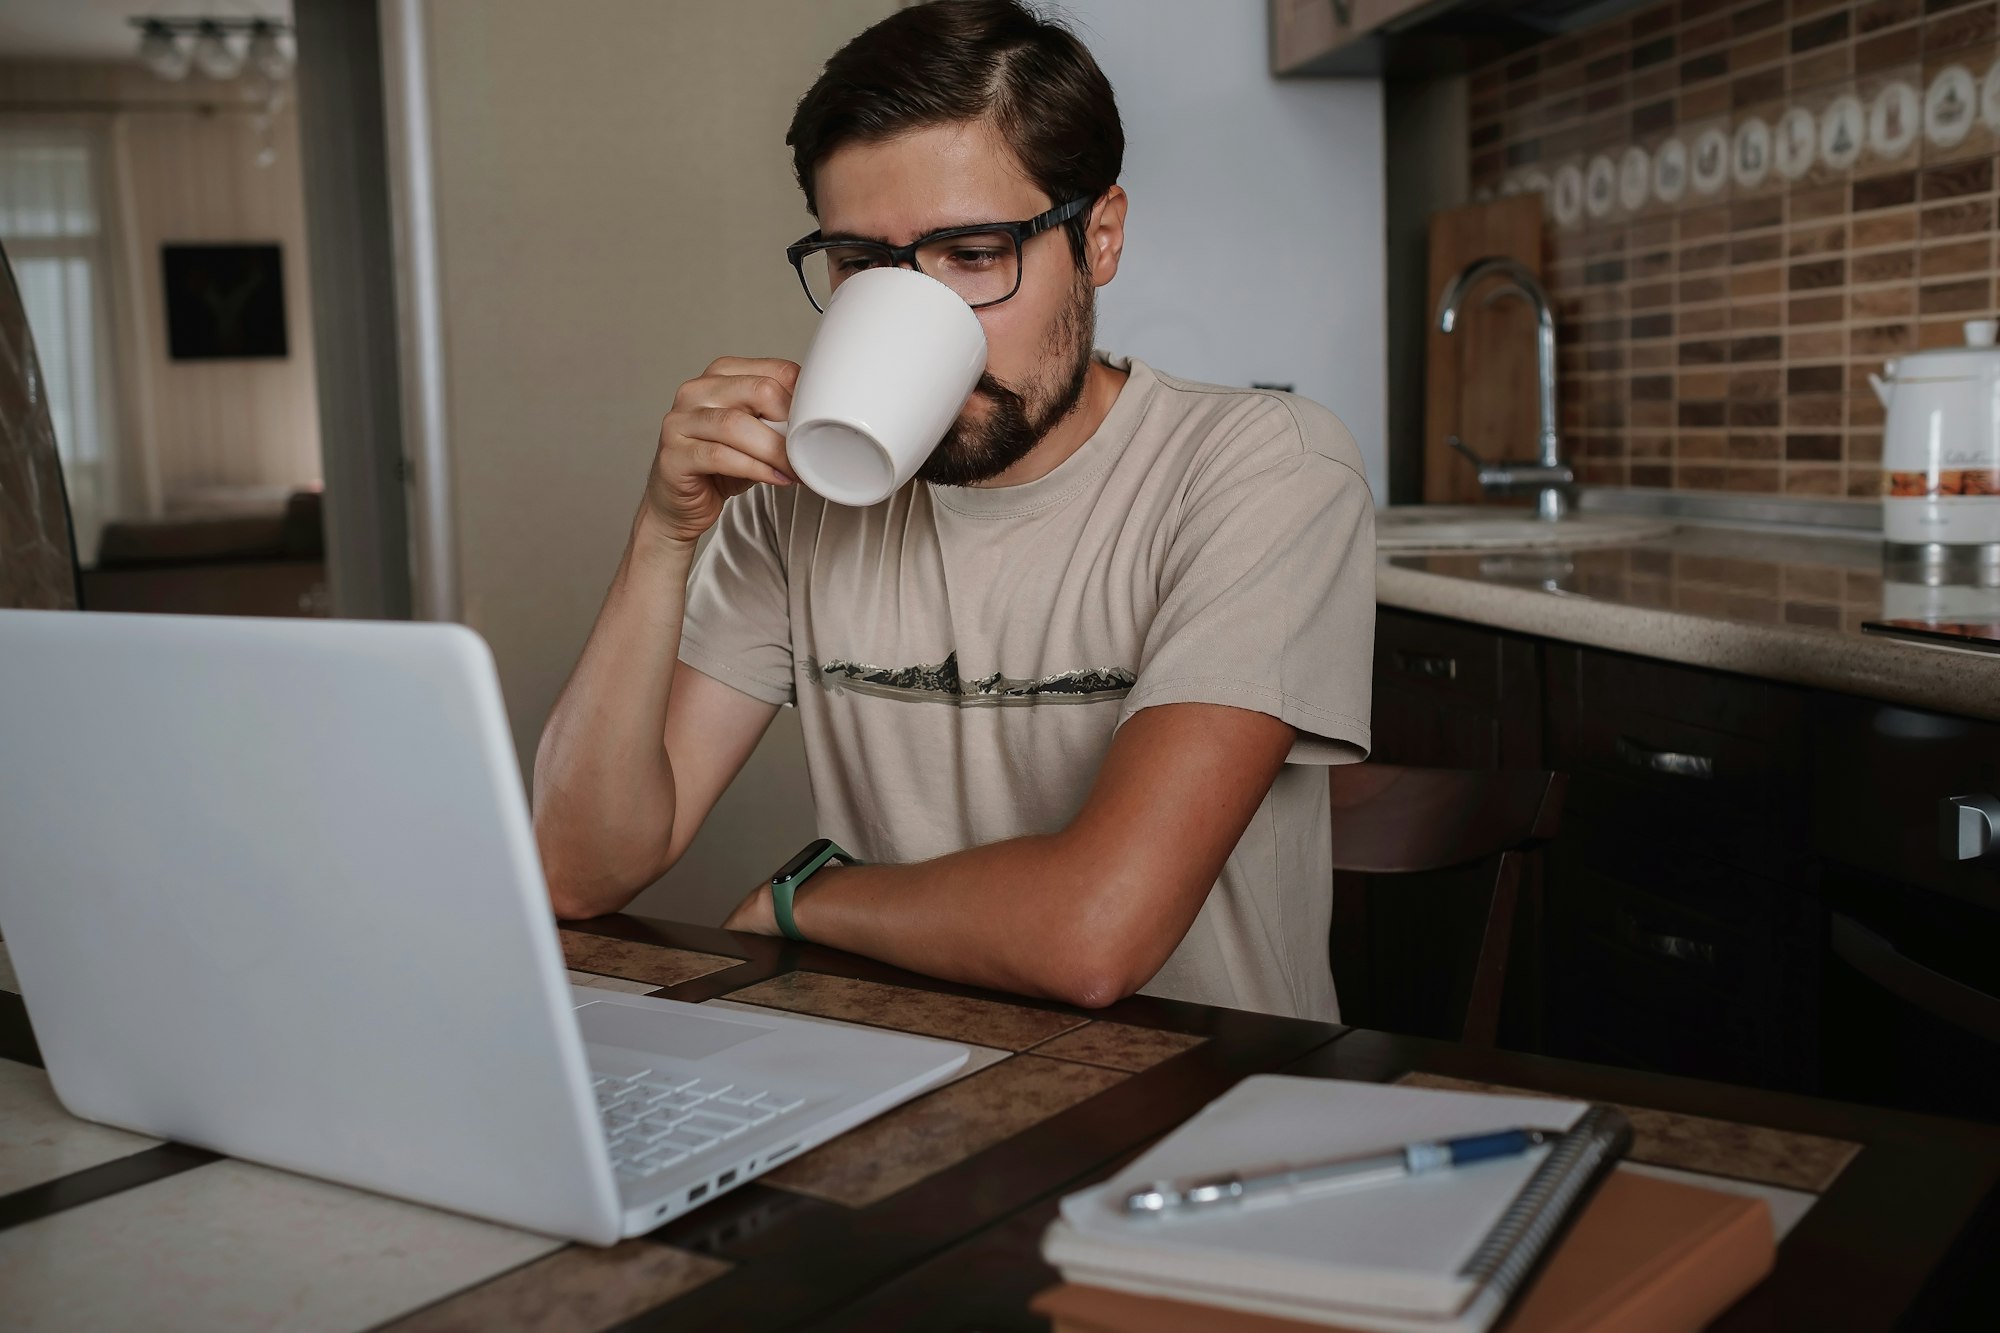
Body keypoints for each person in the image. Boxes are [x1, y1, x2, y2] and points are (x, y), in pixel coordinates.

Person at [532, 0, 1374, 1021]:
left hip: (1205, 1105)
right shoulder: (796, 501)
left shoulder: (1258, 470)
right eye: (859, 265)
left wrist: (814, 896)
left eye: (973, 255)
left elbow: (1095, 934)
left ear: (1097, 238)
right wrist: (661, 539)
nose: (917, 309)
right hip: (895, 1080)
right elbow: (578, 872)